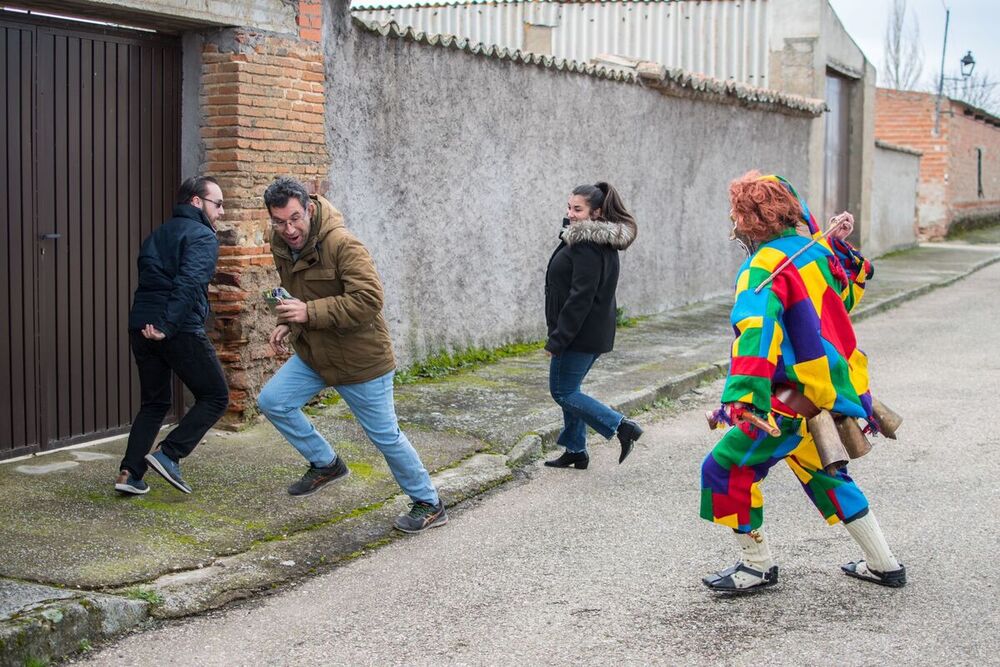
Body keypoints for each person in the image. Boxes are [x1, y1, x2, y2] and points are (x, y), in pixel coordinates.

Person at [699, 171, 905, 592]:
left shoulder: (762, 267)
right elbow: (845, 299)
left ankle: (756, 566)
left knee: (724, 470)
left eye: (737, 215)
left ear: (752, 219)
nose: (734, 223)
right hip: (821, 396)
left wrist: (743, 401)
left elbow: (756, 332)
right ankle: (884, 564)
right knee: (828, 477)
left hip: (786, 401)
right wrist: (834, 242)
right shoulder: (815, 253)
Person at [256, 177, 446, 534]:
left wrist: (308, 313)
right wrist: (289, 322)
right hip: (316, 353)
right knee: (273, 401)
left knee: (385, 436)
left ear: (309, 209)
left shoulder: (343, 244)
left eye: (295, 218)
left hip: (361, 360)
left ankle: (429, 503)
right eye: (279, 221)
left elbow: (369, 300)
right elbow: (298, 292)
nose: (288, 229)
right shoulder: (279, 242)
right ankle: (326, 463)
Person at [116, 176, 230, 496]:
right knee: (216, 395)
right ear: (196, 202)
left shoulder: (157, 234)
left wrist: (153, 325)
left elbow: (153, 282)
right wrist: (166, 326)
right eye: (217, 204)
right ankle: (169, 454)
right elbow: (189, 284)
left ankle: (129, 474)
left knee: (154, 402)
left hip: (141, 326)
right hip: (176, 329)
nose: (221, 212)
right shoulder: (203, 236)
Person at [543, 182, 644, 470]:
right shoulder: (590, 239)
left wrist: (559, 339)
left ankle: (622, 427)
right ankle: (576, 449)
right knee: (571, 388)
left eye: (578, 209)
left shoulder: (587, 244)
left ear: (596, 213)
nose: (571, 213)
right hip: (587, 332)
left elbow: (581, 298)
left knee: (563, 392)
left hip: (578, 334)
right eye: (569, 207)